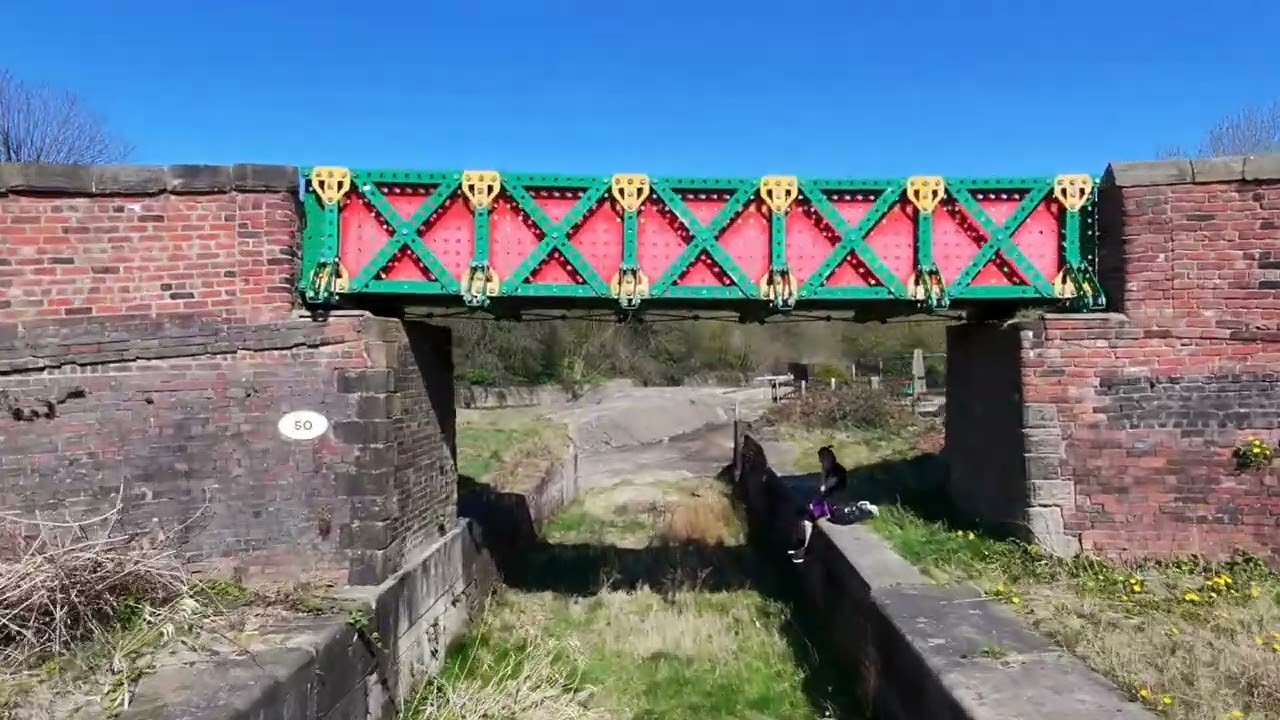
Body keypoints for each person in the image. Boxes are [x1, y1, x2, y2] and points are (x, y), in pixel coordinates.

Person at [788, 445, 879, 563]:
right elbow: (820, 490)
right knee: (803, 516)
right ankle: (801, 545)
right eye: (822, 459)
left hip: (835, 506)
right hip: (828, 503)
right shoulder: (827, 470)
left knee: (807, 519)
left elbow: (823, 488)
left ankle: (803, 549)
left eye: (825, 458)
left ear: (831, 458)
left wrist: (817, 498)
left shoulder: (838, 472)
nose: (823, 461)